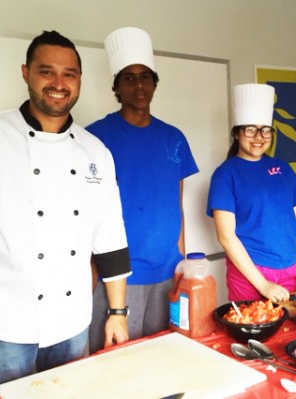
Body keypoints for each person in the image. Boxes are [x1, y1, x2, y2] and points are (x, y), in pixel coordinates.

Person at [0, 30, 131, 390]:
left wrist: (117, 313)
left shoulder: (95, 151)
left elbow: (110, 236)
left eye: (69, 73)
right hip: (3, 326)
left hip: (72, 323)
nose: (58, 83)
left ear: (79, 79)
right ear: (26, 73)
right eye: (46, 71)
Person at [87, 27, 198, 348]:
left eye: (146, 77)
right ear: (117, 87)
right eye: (129, 78)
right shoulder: (95, 138)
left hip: (166, 270)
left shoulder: (174, 138)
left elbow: (176, 205)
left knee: (164, 354)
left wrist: (182, 262)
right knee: (115, 363)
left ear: (154, 83)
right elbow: (87, 214)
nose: (139, 85)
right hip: (118, 276)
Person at [207, 83, 296, 303]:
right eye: (250, 129)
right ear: (237, 133)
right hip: (250, 274)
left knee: (291, 330)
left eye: (265, 130)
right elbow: (226, 237)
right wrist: (263, 284)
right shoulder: (225, 174)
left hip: (290, 269)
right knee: (253, 330)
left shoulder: (283, 168)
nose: (259, 136)